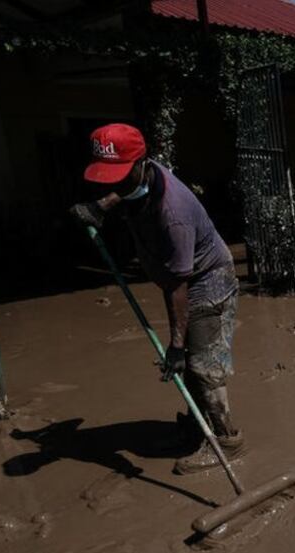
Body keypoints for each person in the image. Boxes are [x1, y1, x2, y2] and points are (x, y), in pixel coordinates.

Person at [68, 124, 244, 474]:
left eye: (120, 176)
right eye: (109, 177)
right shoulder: (140, 180)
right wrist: (101, 207)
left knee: (202, 366)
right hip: (181, 279)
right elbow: (126, 191)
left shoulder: (172, 214)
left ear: (142, 163)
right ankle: (196, 429)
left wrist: (175, 346)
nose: (114, 184)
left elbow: (178, 286)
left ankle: (227, 441)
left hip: (208, 281)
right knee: (191, 364)